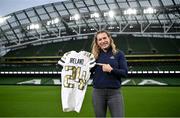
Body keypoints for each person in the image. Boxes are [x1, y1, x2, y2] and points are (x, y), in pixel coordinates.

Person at [90, 30, 128, 117]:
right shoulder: (94, 56)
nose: (103, 41)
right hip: (98, 93)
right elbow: (88, 72)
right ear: (97, 42)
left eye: (104, 38)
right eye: (100, 39)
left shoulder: (119, 54)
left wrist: (111, 70)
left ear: (109, 38)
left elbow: (125, 73)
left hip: (114, 93)